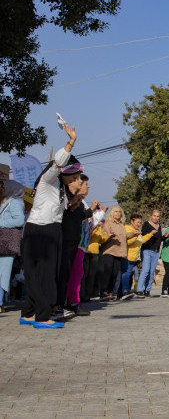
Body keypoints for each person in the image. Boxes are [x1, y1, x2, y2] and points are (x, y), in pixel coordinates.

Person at [20, 121, 82, 329]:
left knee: (37, 273)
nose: (77, 180)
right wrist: (70, 143)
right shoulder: (49, 179)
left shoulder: (60, 191)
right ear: (64, 173)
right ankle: (43, 316)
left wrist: (76, 200)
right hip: (41, 231)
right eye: (74, 176)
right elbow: (57, 162)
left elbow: (59, 210)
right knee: (45, 274)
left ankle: (28, 313)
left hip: (49, 231)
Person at [57, 174, 94, 320]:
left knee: (77, 274)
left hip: (80, 243)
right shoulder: (71, 201)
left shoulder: (82, 203)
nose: (87, 186)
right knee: (72, 274)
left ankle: (72, 302)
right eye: (84, 183)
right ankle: (71, 303)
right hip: (72, 243)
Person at [0, 180, 25, 314]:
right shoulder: (6, 200)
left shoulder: (15, 202)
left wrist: (1, 222)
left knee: (2, 274)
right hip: (3, 242)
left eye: (4, 186)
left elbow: (19, 220)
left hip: (6, 243)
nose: (2, 188)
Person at [99, 205, 133, 302]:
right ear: (112, 213)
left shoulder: (121, 224)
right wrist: (109, 235)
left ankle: (110, 292)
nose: (118, 213)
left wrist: (133, 233)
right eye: (116, 211)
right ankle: (103, 292)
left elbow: (124, 236)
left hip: (119, 252)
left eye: (119, 212)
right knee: (107, 271)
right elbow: (104, 235)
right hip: (109, 251)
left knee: (115, 273)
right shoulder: (108, 223)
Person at [123, 214, 154, 298]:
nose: (138, 224)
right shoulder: (127, 229)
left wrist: (150, 234)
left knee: (129, 275)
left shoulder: (137, 231)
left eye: (140, 222)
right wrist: (134, 235)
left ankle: (127, 291)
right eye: (137, 222)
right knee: (126, 274)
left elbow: (141, 240)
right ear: (131, 221)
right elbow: (127, 242)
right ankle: (124, 291)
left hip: (134, 257)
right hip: (127, 256)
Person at [136, 210, 162, 297]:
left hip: (155, 251)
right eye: (154, 216)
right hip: (146, 250)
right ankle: (139, 290)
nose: (156, 218)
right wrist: (151, 233)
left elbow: (159, 239)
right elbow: (143, 237)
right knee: (145, 270)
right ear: (151, 216)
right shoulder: (147, 224)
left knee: (151, 272)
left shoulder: (159, 226)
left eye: (157, 216)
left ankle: (147, 290)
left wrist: (165, 236)